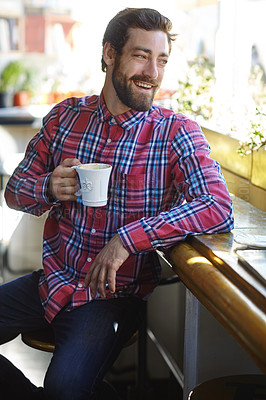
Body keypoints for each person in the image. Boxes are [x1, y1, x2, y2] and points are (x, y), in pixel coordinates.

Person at [0, 7, 234, 400]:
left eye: (161, 60)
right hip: (52, 282)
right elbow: (14, 191)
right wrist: (48, 187)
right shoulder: (65, 117)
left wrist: (128, 239)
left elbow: (217, 205)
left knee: (65, 389)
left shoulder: (176, 131)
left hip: (111, 297)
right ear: (110, 54)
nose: (153, 73)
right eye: (141, 55)